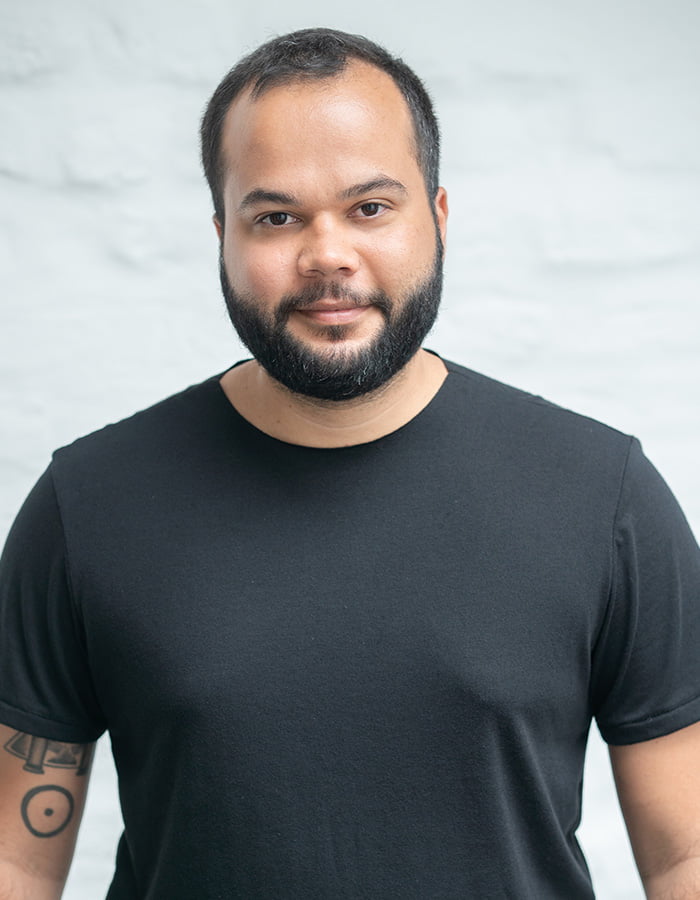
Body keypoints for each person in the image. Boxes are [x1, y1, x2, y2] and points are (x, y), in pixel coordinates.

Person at [0, 27, 699, 899]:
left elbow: (685, 856)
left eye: (370, 208)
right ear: (221, 235)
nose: (327, 254)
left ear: (437, 217)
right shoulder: (89, 507)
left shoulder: (603, 498)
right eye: (276, 217)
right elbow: (16, 860)